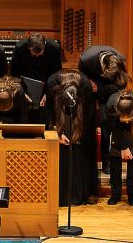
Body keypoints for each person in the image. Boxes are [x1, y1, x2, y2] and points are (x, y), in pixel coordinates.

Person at [46, 70, 98, 206]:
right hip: (59, 123)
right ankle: (61, 195)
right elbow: (49, 113)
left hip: (80, 124)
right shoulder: (53, 84)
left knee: (80, 155)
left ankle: (80, 193)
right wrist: (57, 134)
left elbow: (89, 115)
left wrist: (79, 133)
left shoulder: (85, 87)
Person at [78, 45, 129, 174]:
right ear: (103, 67)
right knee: (86, 123)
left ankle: (106, 162)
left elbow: (120, 85)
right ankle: (88, 161)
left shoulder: (121, 60)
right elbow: (81, 79)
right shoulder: (86, 59)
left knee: (106, 123)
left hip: (107, 90)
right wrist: (90, 87)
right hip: (89, 86)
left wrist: (99, 89)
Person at [105, 90, 133, 207]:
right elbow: (113, 128)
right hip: (116, 130)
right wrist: (123, 147)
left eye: (128, 119)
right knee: (114, 161)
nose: (126, 122)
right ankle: (115, 194)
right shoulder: (111, 106)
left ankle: (132, 195)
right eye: (123, 119)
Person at [10, 33, 63, 123]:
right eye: (34, 54)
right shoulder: (19, 47)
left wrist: (48, 93)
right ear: (28, 48)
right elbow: (14, 72)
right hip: (25, 83)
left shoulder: (54, 48)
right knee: (23, 114)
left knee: (44, 114)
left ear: (44, 47)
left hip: (46, 82)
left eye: (40, 54)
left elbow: (57, 73)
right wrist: (21, 91)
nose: (37, 57)